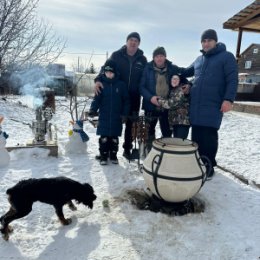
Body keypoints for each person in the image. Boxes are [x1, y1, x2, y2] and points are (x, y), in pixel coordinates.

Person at [184, 29, 238, 179]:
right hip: (196, 106)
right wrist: (169, 69)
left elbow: (232, 79)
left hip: (213, 105)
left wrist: (229, 99)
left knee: (208, 138)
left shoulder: (226, 57)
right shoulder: (199, 60)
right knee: (196, 138)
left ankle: (208, 167)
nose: (206, 43)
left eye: (209, 40)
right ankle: (197, 165)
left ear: (215, 41)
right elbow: (186, 72)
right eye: (204, 41)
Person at [94, 32, 147, 160]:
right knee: (113, 120)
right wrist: (97, 80)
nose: (133, 42)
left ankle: (127, 149)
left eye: (136, 41)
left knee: (130, 123)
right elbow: (105, 69)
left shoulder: (142, 59)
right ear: (126, 41)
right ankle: (106, 151)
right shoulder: (116, 55)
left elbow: (145, 78)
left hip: (134, 96)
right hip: (117, 94)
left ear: (138, 43)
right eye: (131, 40)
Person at [139, 47, 190, 150]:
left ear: (165, 57)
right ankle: (149, 150)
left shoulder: (172, 68)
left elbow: (184, 79)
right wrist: (150, 97)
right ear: (153, 58)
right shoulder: (147, 69)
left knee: (166, 132)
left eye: (161, 56)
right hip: (151, 105)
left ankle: (165, 151)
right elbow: (141, 87)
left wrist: (189, 85)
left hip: (167, 107)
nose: (159, 58)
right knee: (149, 131)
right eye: (157, 56)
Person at [89, 60, 130, 165]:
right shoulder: (101, 84)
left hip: (117, 117)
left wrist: (125, 114)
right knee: (104, 138)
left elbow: (126, 100)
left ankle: (113, 156)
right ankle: (103, 156)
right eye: (107, 72)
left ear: (115, 72)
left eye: (111, 72)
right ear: (104, 72)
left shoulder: (121, 85)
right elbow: (96, 99)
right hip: (104, 117)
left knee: (114, 139)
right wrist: (93, 109)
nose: (109, 74)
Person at [158, 74, 190, 139]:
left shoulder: (182, 89)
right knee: (175, 145)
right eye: (173, 78)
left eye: (177, 79)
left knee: (179, 145)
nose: (174, 80)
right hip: (176, 123)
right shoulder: (173, 90)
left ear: (179, 81)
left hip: (182, 123)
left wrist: (159, 100)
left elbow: (171, 104)